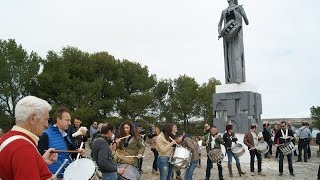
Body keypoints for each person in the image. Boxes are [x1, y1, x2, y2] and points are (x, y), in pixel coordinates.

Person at [0, 96, 58, 180]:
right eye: (45, 119)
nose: (46, 125)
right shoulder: (24, 148)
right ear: (33, 119)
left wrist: (40, 162)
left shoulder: (6, 138)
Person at [38, 107, 84, 179]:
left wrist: (78, 151)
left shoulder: (65, 135)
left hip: (66, 175)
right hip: (54, 176)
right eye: (67, 120)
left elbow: (70, 154)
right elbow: (39, 160)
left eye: (70, 120)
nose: (69, 123)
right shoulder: (46, 135)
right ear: (58, 119)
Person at [218, 0, 249, 84]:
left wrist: (242, 13)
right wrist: (220, 33)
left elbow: (246, 22)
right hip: (227, 36)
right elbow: (219, 24)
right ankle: (229, 80)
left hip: (237, 35)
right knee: (228, 58)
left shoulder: (239, 8)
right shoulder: (224, 11)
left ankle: (238, 78)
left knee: (237, 56)